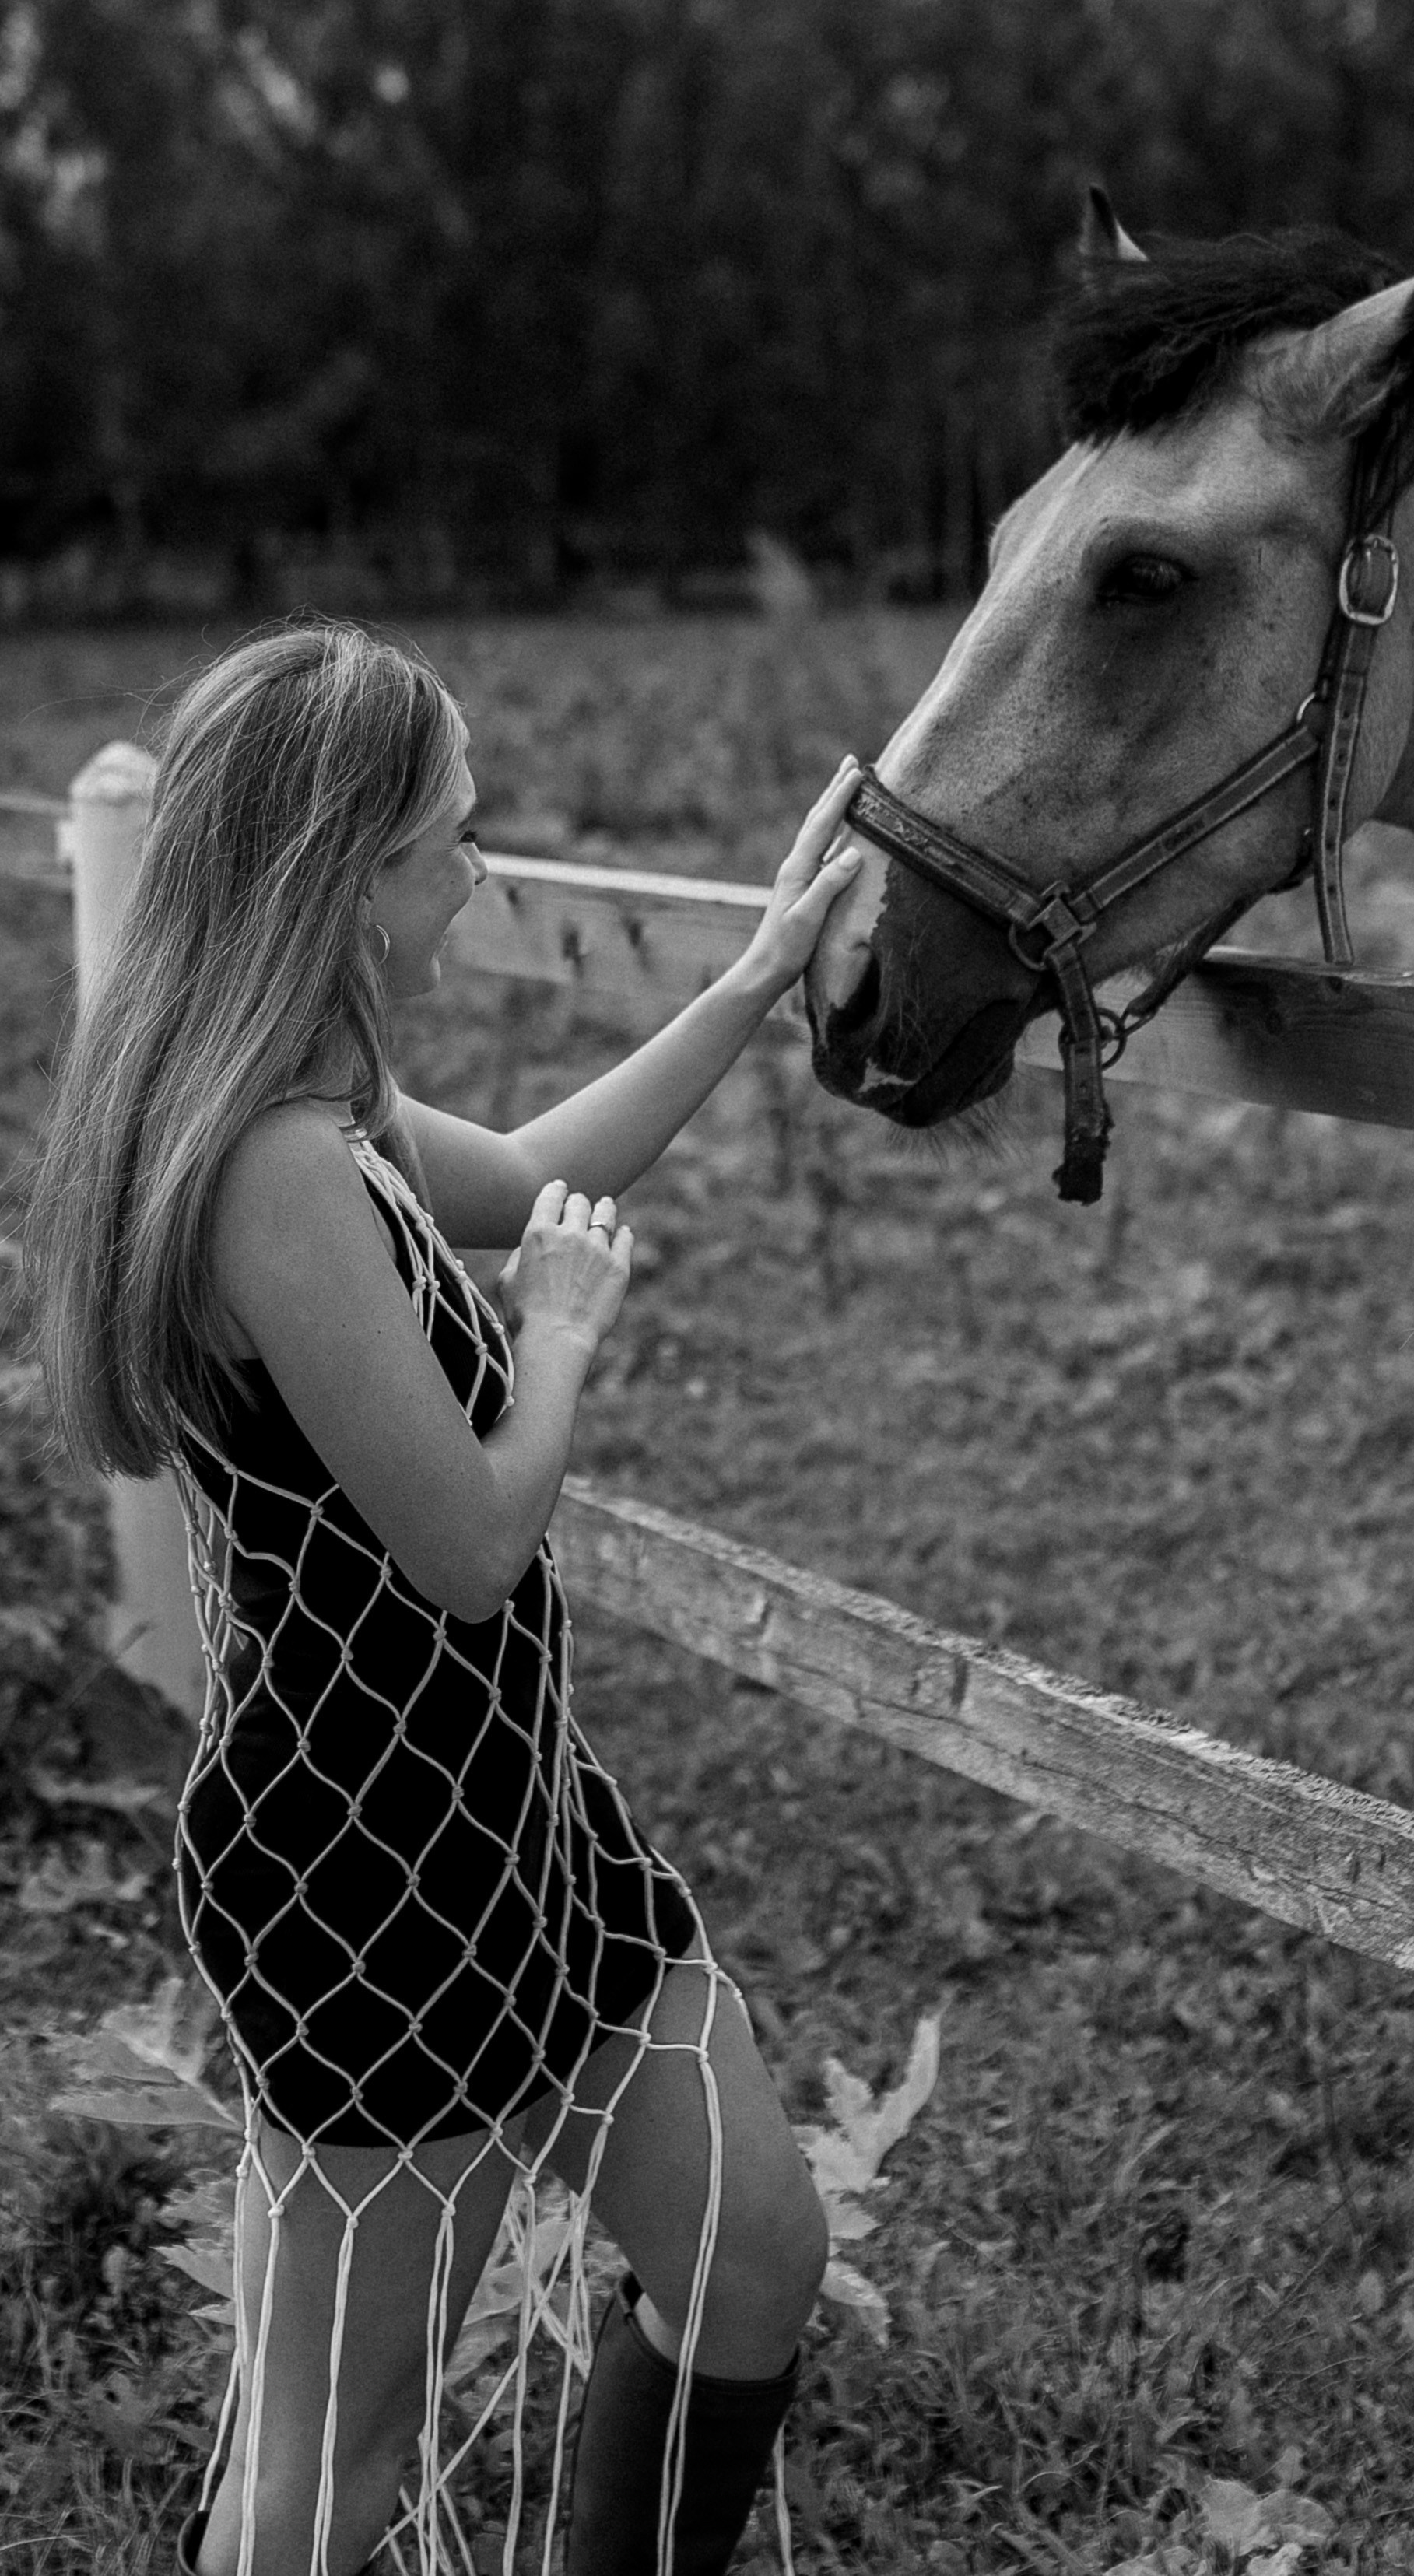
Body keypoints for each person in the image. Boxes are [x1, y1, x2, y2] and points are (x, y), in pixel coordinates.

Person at [25, 622, 866, 2576]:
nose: (477, 881)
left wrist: (752, 971)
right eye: (448, 850)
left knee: (754, 2248)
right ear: (342, 878)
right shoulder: (270, 1172)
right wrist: (554, 1336)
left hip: (523, 1832)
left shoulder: (332, 1113)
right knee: (331, 2479)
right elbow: (473, 1543)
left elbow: (559, 1158)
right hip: (364, 1876)